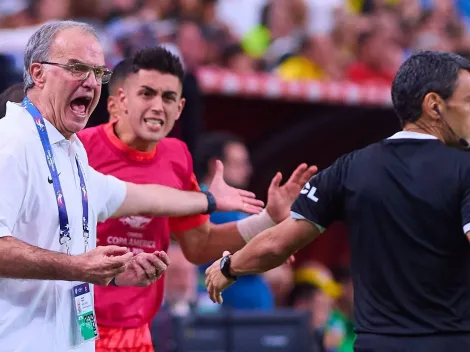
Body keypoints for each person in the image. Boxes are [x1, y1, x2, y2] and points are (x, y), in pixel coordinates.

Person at [0, 20, 264, 352]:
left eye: (98, 72)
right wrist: (79, 266)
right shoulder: (11, 142)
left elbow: (140, 197)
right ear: (37, 73)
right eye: (77, 68)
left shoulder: (70, 151)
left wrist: (209, 199)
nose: (91, 82)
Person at [206, 50, 470, 352]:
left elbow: (276, 245)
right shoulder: (465, 167)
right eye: (468, 101)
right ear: (434, 105)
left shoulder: (349, 168)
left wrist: (228, 267)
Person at [77, 46, 316, 352]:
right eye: (146, 94)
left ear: (179, 108)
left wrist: (267, 219)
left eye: (168, 98)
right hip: (82, 327)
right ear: (121, 99)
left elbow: (199, 245)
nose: (157, 106)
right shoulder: (82, 149)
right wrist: (209, 200)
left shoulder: (175, 157)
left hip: (139, 332)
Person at [193, 132, 275, 311]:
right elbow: (266, 252)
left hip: (246, 319)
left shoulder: (233, 207)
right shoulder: (206, 206)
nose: (249, 170)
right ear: (216, 166)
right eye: (239, 164)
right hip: (229, 321)